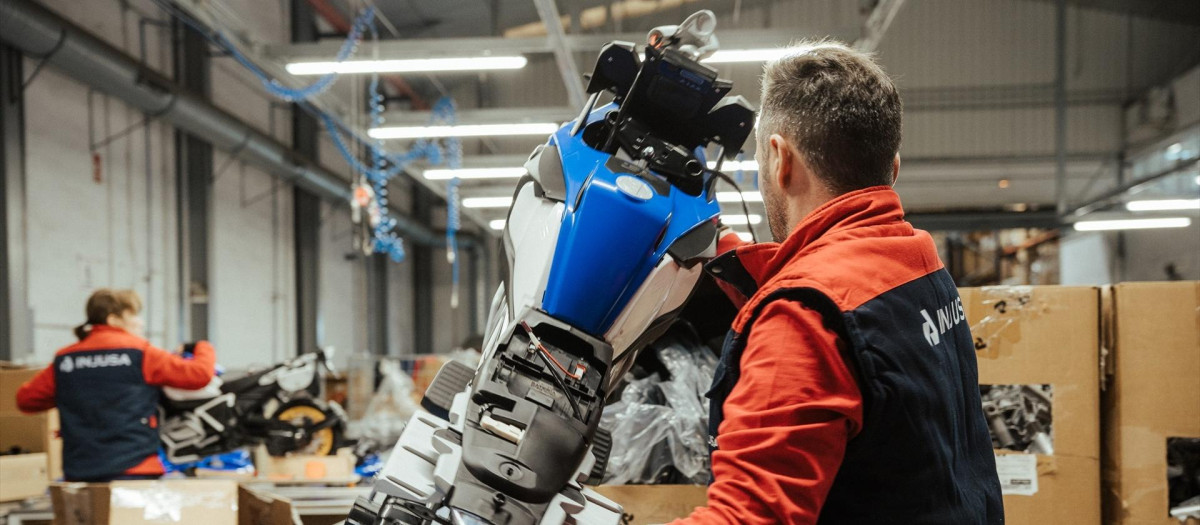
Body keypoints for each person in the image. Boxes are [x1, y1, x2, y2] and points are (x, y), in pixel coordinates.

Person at [671, 41, 1003, 524]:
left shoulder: (803, 318)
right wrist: (725, 248)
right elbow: (852, 317)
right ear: (891, 167)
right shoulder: (917, 259)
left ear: (781, 159)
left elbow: (746, 518)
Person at [15, 289, 216, 482]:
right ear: (113, 319)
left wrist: (71, 390)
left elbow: (26, 400)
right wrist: (201, 346)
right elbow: (199, 375)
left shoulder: (66, 359)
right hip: (135, 468)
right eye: (134, 316)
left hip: (80, 470)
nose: (141, 323)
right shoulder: (140, 353)